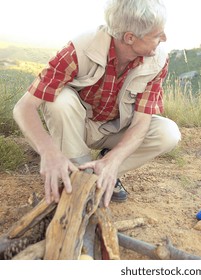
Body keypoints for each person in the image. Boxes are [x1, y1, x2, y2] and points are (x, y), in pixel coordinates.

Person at [12, 0, 181, 207]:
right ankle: (77, 173)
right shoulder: (78, 49)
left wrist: (116, 159)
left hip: (115, 130)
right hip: (76, 127)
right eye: (157, 35)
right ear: (130, 37)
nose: (164, 38)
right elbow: (23, 107)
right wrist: (48, 151)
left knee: (168, 132)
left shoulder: (157, 62)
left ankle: (102, 168)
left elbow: (140, 124)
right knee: (59, 100)